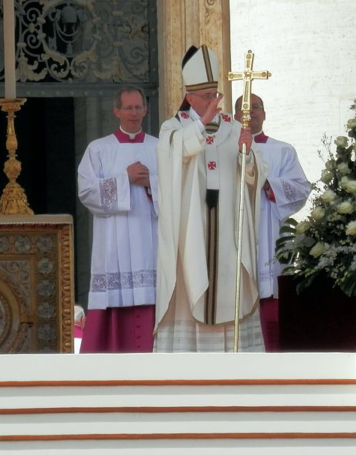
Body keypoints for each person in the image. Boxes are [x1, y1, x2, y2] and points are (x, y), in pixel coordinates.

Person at [155, 45, 267, 352]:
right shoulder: (173, 128)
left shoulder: (234, 127)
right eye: (205, 96)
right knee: (191, 277)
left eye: (214, 94)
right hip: (192, 229)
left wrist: (247, 153)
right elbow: (173, 154)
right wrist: (201, 124)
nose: (213, 101)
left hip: (228, 226)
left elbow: (254, 175)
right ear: (190, 97)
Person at [77, 86, 158, 352]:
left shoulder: (159, 148)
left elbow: (179, 190)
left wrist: (151, 183)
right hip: (114, 240)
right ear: (116, 111)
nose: (134, 113)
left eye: (138, 107)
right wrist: (125, 179)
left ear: (145, 110)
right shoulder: (99, 149)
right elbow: (87, 192)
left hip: (150, 236)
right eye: (128, 108)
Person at [234, 94, 310, 351]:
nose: (250, 113)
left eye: (255, 107)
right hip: (236, 233)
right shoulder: (223, 152)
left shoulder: (283, 151)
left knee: (271, 299)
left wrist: (269, 185)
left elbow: (301, 188)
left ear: (264, 114)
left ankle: (274, 356)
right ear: (235, 116)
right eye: (244, 109)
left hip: (270, 232)